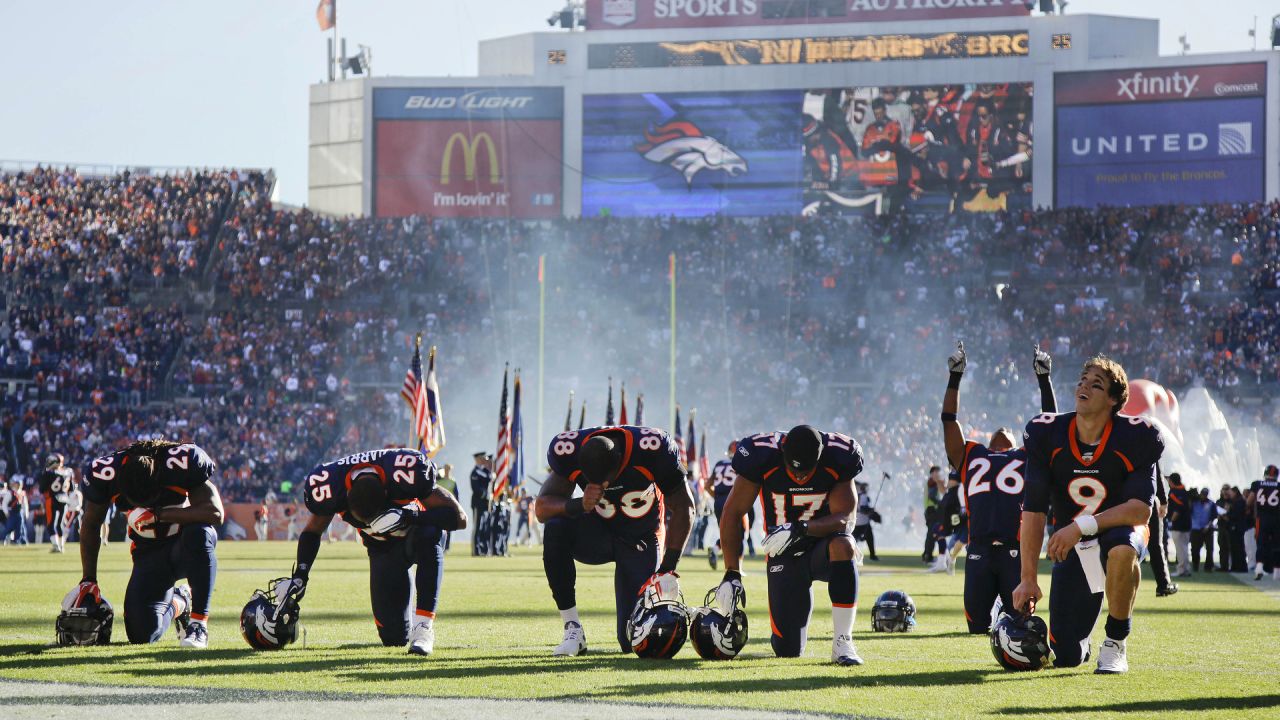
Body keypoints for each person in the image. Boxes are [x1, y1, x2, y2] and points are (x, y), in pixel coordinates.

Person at [1014, 355, 1164, 674]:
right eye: (1083, 379)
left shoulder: (1136, 436)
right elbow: (1034, 508)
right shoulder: (1047, 433)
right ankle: (1082, 645)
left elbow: (1141, 509)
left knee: (1123, 550)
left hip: (1117, 530)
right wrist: (1028, 578)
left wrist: (1080, 526)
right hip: (1074, 547)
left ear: (1113, 400)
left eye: (1097, 384)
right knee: (1066, 653)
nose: (1084, 385)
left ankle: (1115, 642)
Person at [274, 447, 466, 656]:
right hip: (381, 551)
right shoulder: (331, 485)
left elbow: (459, 518)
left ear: (386, 493)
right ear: (346, 496)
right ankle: (406, 595)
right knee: (394, 639)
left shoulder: (404, 473)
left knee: (430, 534)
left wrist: (409, 517)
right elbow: (312, 531)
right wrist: (301, 575)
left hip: (415, 538)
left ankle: (423, 627)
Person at [536, 425, 694, 656]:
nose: (602, 487)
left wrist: (668, 569)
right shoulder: (569, 449)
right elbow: (541, 509)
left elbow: (684, 507)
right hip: (597, 532)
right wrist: (578, 504)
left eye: (605, 480)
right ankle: (572, 628)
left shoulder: (651, 448)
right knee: (555, 529)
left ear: (621, 462)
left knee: (631, 640)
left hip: (641, 539)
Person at [713, 424, 866, 665]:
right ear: (782, 453)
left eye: (807, 471)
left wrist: (801, 529)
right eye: (794, 470)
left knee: (844, 544)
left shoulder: (838, 456)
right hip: (783, 554)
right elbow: (733, 513)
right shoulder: (761, 455)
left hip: (821, 546)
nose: (801, 476)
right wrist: (732, 572)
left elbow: (846, 517)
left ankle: (843, 641)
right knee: (788, 649)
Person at [941, 342, 1058, 631]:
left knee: (1021, 623)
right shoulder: (971, 453)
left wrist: (1045, 380)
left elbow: (1051, 425)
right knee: (977, 628)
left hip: (1015, 552)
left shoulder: (1026, 457)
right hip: (978, 549)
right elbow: (948, 420)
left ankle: (1002, 608)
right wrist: (954, 377)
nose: (1002, 429)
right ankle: (994, 609)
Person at [74, 440, 222, 648]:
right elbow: (90, 524)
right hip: (148, 556)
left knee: (200, 532)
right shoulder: (106, 472)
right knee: (141, 634)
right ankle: (180, 602)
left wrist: (160, 514)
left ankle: (198, 624)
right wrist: (88, 579)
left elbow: (215, 513)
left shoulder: (182, 462)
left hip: (184, 548)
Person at [707, 441, 754, 570]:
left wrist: (717, 497)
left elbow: (707, 486)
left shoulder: (719, 464)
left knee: (726, 533)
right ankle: (738, 567)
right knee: (742, 534)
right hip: (734, 500)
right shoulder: (742, 463)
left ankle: (716, 549)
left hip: (719, 502)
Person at [1148, 469, 1177, 596]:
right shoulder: (1149, 448)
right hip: (1146, 499)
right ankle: (1163, 584)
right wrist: (1164, 501)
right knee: (1155, 544)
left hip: (1119, 500)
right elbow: (1157, 475)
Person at [39, 454, 75, 553]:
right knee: (60, 524)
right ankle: (62, 545)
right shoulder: (68, 472)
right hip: (65, 499)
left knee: (51, 524)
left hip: (52, 498)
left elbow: (42, 489)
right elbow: (72, 488)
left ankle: (56, 545)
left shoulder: (47, 473)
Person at [1251, 464, 1280, 581]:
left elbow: (1249, 501)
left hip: (1261, 519)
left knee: (1261, 544)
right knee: (1277, 545)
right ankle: (1277, 572)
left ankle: (1259, 568)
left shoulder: (1257, 484)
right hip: (1277, 519)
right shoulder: (1278, 486)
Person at [1167, 473, 1192, 577]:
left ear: (1172, 481)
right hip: (1187, 523)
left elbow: (1178, 509)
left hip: (1178, 524)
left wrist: (1171, 521)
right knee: (1184, 548)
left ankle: (1182, 569)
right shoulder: (1184, 491)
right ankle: (1185, 568)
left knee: (1180, 548)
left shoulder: (1175, 492)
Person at [469, 452, 493, 556]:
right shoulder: (475, 472)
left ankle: (483, 549)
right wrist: (486, 495)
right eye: (482, 458)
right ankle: (476, 550)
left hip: (485, 503)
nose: (484, 460)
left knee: (483, 527)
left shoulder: (485, 471)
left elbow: (490, 481)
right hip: (478, 502)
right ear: (477, 459)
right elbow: (476, 488)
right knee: (477, 527)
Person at [853, 479, 881, 562]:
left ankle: (851, 554)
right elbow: (862, 509)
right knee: (869, 538)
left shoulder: (855, 495)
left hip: (856, 521)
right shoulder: (863, 496)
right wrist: (870, 511)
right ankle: (872, 555)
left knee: (855, 539)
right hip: (863, 522)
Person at [1190, 488, 1216, 572]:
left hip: (1207, 529)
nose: (1203, 496)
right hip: (1196, 528)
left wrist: (1208, 526)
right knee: (1195, 549)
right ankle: (1195, 565)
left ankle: (1208, 567)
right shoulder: (1194, 502)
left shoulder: (1211, 503)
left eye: (1205, 494)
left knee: (1209, 548)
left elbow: (1213, 516)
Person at [922, 466, 944, 563]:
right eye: (936, 472)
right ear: (932, 473)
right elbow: (932, 496)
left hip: (929, 510)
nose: (938, 474)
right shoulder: (932, 482)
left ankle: (926, 554)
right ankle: (928, 556)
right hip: (932, 511)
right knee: (933, 534)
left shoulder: (930, 482)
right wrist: (940, 504)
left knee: (931, 534)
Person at [437, 463, 458, 551]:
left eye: (448, 469)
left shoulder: (453, 481)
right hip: (440, 506)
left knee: (449, 527)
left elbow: (456, 496)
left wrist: (457, 508)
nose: (447, 471)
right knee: (440, 527)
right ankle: (440, 544)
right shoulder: (439, 481)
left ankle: (447, 546)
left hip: (450, 507)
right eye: (446, 469)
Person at [2, 479, 28, 545]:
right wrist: (6, 512)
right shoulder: (10, 492)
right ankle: (2, 539)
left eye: (19, 484)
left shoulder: (22, 493)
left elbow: (25, 504)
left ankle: (17, 541)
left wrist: (26, 512)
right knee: (9, 528)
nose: (18, 485)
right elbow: (4, 504)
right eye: (17, 484)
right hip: (12, 512)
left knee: (20, 528)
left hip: (20, 512)